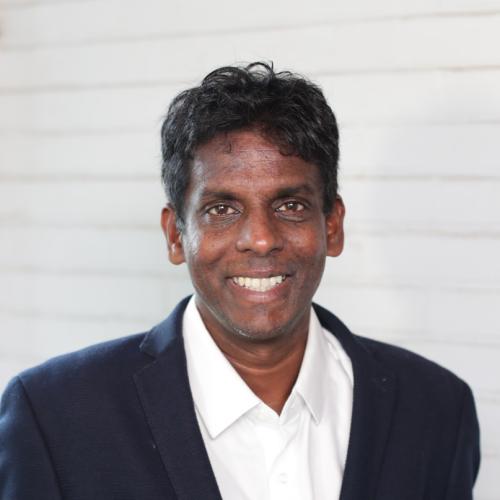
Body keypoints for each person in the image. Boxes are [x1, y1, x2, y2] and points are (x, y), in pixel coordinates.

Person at [0, 62, 480, 500]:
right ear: (175, 235)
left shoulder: (437, 408)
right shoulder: (53, 417)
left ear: (332, 226)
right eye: (222, 209)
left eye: (290, 205)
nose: (261, 239)